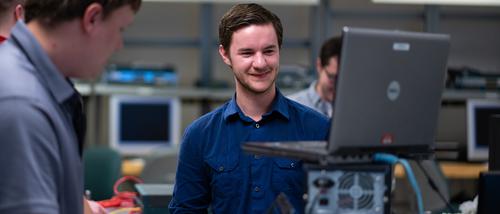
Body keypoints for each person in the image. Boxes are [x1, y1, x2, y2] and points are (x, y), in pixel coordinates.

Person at [169, 3, 330, 214]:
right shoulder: (200, 135)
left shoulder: (318, 129)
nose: (260, 63)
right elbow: (186, 211)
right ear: (225, 55)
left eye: (269, 51)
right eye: (247, 53)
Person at [0, 0, 141, 213]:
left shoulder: (35, 88)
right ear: (92, 18)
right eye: (120, 29)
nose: (119, 44)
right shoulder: (24, 105)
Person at [288, 36, 341, 118]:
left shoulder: (354, 108)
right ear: (319, 66)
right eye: (332, 77)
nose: (338, 85)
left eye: (342, 79)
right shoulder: (291, 108)